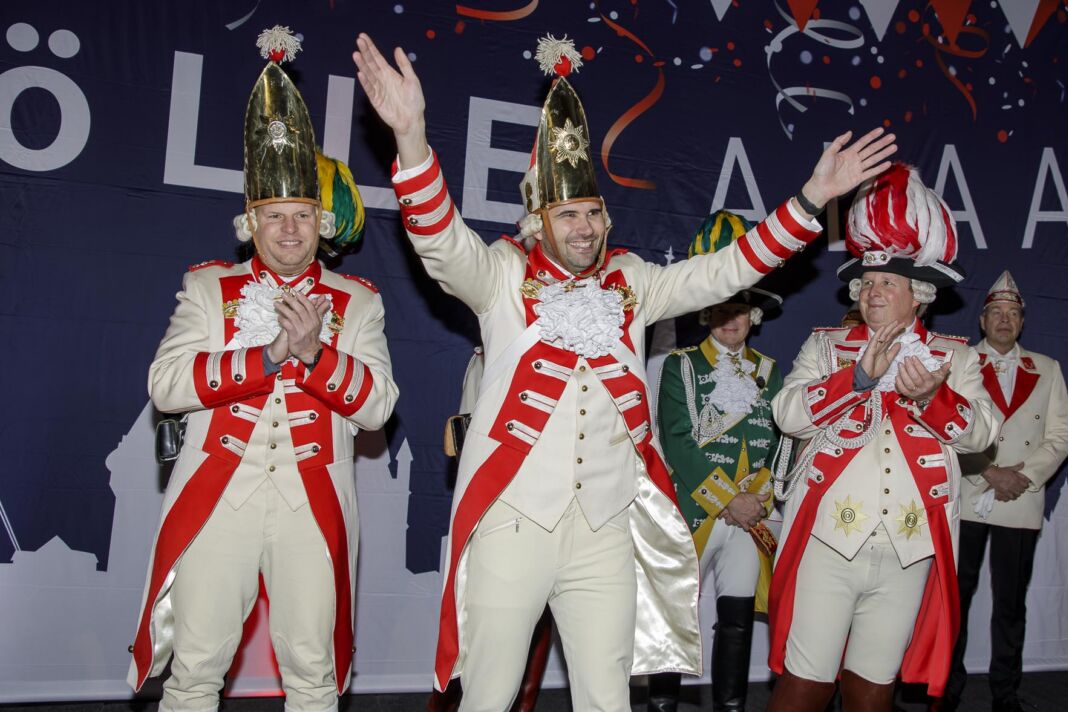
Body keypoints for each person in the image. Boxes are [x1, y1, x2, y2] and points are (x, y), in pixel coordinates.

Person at [353, 31, 897, 711]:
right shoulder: (500, 277)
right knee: (489, 696)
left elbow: (728, 269)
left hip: (605, 532)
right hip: (513, 527)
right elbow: (438, 241)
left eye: (592, 213)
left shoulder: (633, 281)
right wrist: (410, 137)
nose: (584, 228)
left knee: (608, 699)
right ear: (537, 221)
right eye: (567, 215)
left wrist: (813, 197)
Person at [128, 27, 398, 711]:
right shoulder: (207, 288)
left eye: (301, 215)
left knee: (313, 674)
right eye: (274, 215)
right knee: (195, 671)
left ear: (321, 222)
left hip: (314, 503)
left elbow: (377, 408)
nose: (288, 230)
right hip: (220, 496)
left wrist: (314, 356)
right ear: (251, 221)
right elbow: (165, 385)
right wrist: (268, 356)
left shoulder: (358, 302)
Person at [766, 163, 999, 712]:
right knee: (805, 684)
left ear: (919, 294)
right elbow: (787, 413)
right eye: (866, 283)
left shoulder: (956, 358)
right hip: (829, 544)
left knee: (873, 691)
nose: (872, 292)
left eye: (887, 283)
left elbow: (984, 434)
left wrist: (934, 397)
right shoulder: (826, 348)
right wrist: (854, 380)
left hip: (908, 551)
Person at [650, 210, 785, 712]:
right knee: (674, 615)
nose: (733, 319)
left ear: (755, 316)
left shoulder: (769, 370)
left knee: (737, 619)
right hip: (697, 509)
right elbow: (678, 442)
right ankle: (662, 705)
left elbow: (779, 442)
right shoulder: (681, 366)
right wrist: (729, 500)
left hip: (751, 514)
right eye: (722, 309)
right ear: (706, 314)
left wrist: (757, 498)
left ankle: (731, 706)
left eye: (741, 310)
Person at [939, 271, 1068, 712]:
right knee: (954, 601)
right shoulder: (957, 362)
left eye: (1012, 314)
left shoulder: (1047, 368)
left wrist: (1023, 477)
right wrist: (988, 472)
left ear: (1021, 322)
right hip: (968, 495)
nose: (1004, 320)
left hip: (1020, 499)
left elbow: (1060, 436)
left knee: (1011, 604)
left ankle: (1006, 691)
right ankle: (947, 687)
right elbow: (945, 428)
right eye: (996, 312)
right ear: (982, 320)